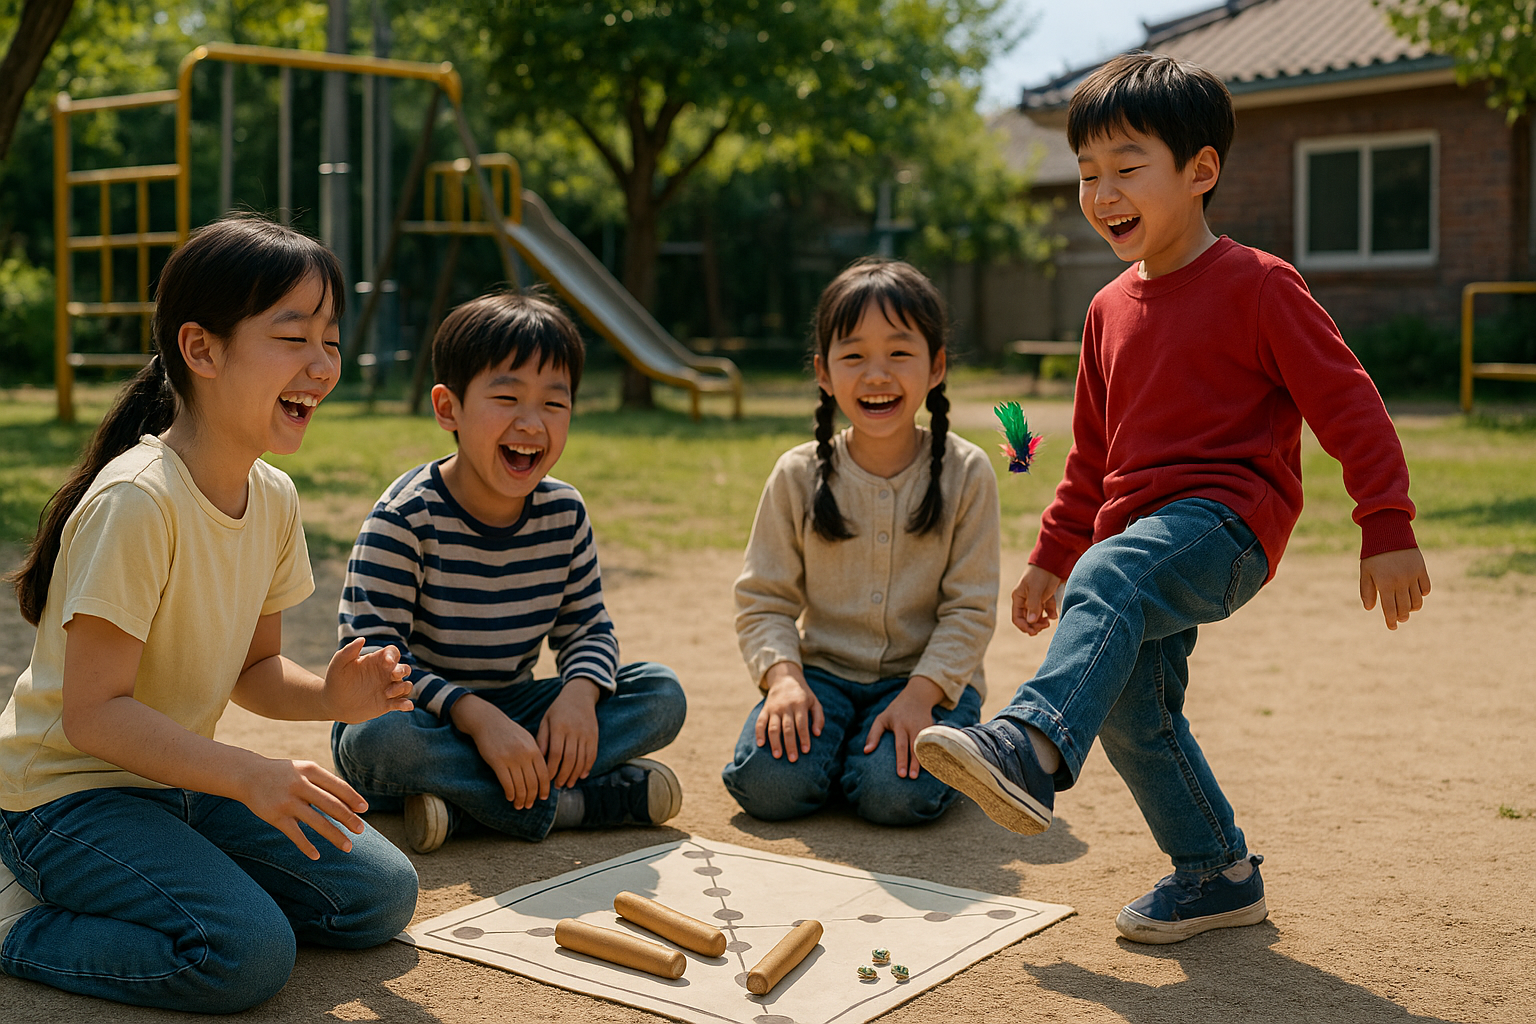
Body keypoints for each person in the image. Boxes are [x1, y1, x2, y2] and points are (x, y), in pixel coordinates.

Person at [916, 53, 1432, 944]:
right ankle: (1215, 872)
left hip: (1227, 526)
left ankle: (1028, 748)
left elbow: (1348, 402)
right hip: (1134, 543)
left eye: (1126, 168)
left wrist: (1385, 522)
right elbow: (1089, 458)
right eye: (1086, 174)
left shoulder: (1260, 285)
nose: (1101, 191)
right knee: (1133, 714)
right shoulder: (1106, 310)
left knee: (1111, 576)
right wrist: (1050, 555)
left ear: (1200, 171)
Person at [0, 216, 419, 1012]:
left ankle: (168, 877)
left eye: (330, 340)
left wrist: (332, 699)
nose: (321, 364)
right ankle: (15, 924)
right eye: (293, 336)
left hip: (176, 783)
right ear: (201, 350)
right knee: (245, 955)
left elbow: (255, 672)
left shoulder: (272, 497)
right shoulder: (138, 501)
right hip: (61, 799)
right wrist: (248, 775)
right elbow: (93, 716)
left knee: (379, 895)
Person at [330, 291, 687, 855]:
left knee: (661, 693)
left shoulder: (564, 512)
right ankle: (574, 803)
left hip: (520, 711)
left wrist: (579, 695)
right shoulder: (404, 518)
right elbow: (376, 663)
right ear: (448, 408)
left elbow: (589, 628)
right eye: (506, 397)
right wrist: (476, 719)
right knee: (375, 739)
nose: (532, 422)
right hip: (422, 718)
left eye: (554, 403)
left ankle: (466, 807)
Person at [723, 258, 1000, 826]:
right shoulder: (796, 474)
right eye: (854, 356)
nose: (877, 374)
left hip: (929, 682)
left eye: (900, 353)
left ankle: (934, 750)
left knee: (894, 798)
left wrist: (922, 696)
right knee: (768, 787)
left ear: (936, 366)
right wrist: (784, 680)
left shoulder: (967, 472)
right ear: (824, 373)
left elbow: (969, 611)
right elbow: (765, 600)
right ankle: (849, 751)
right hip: (821, 677)